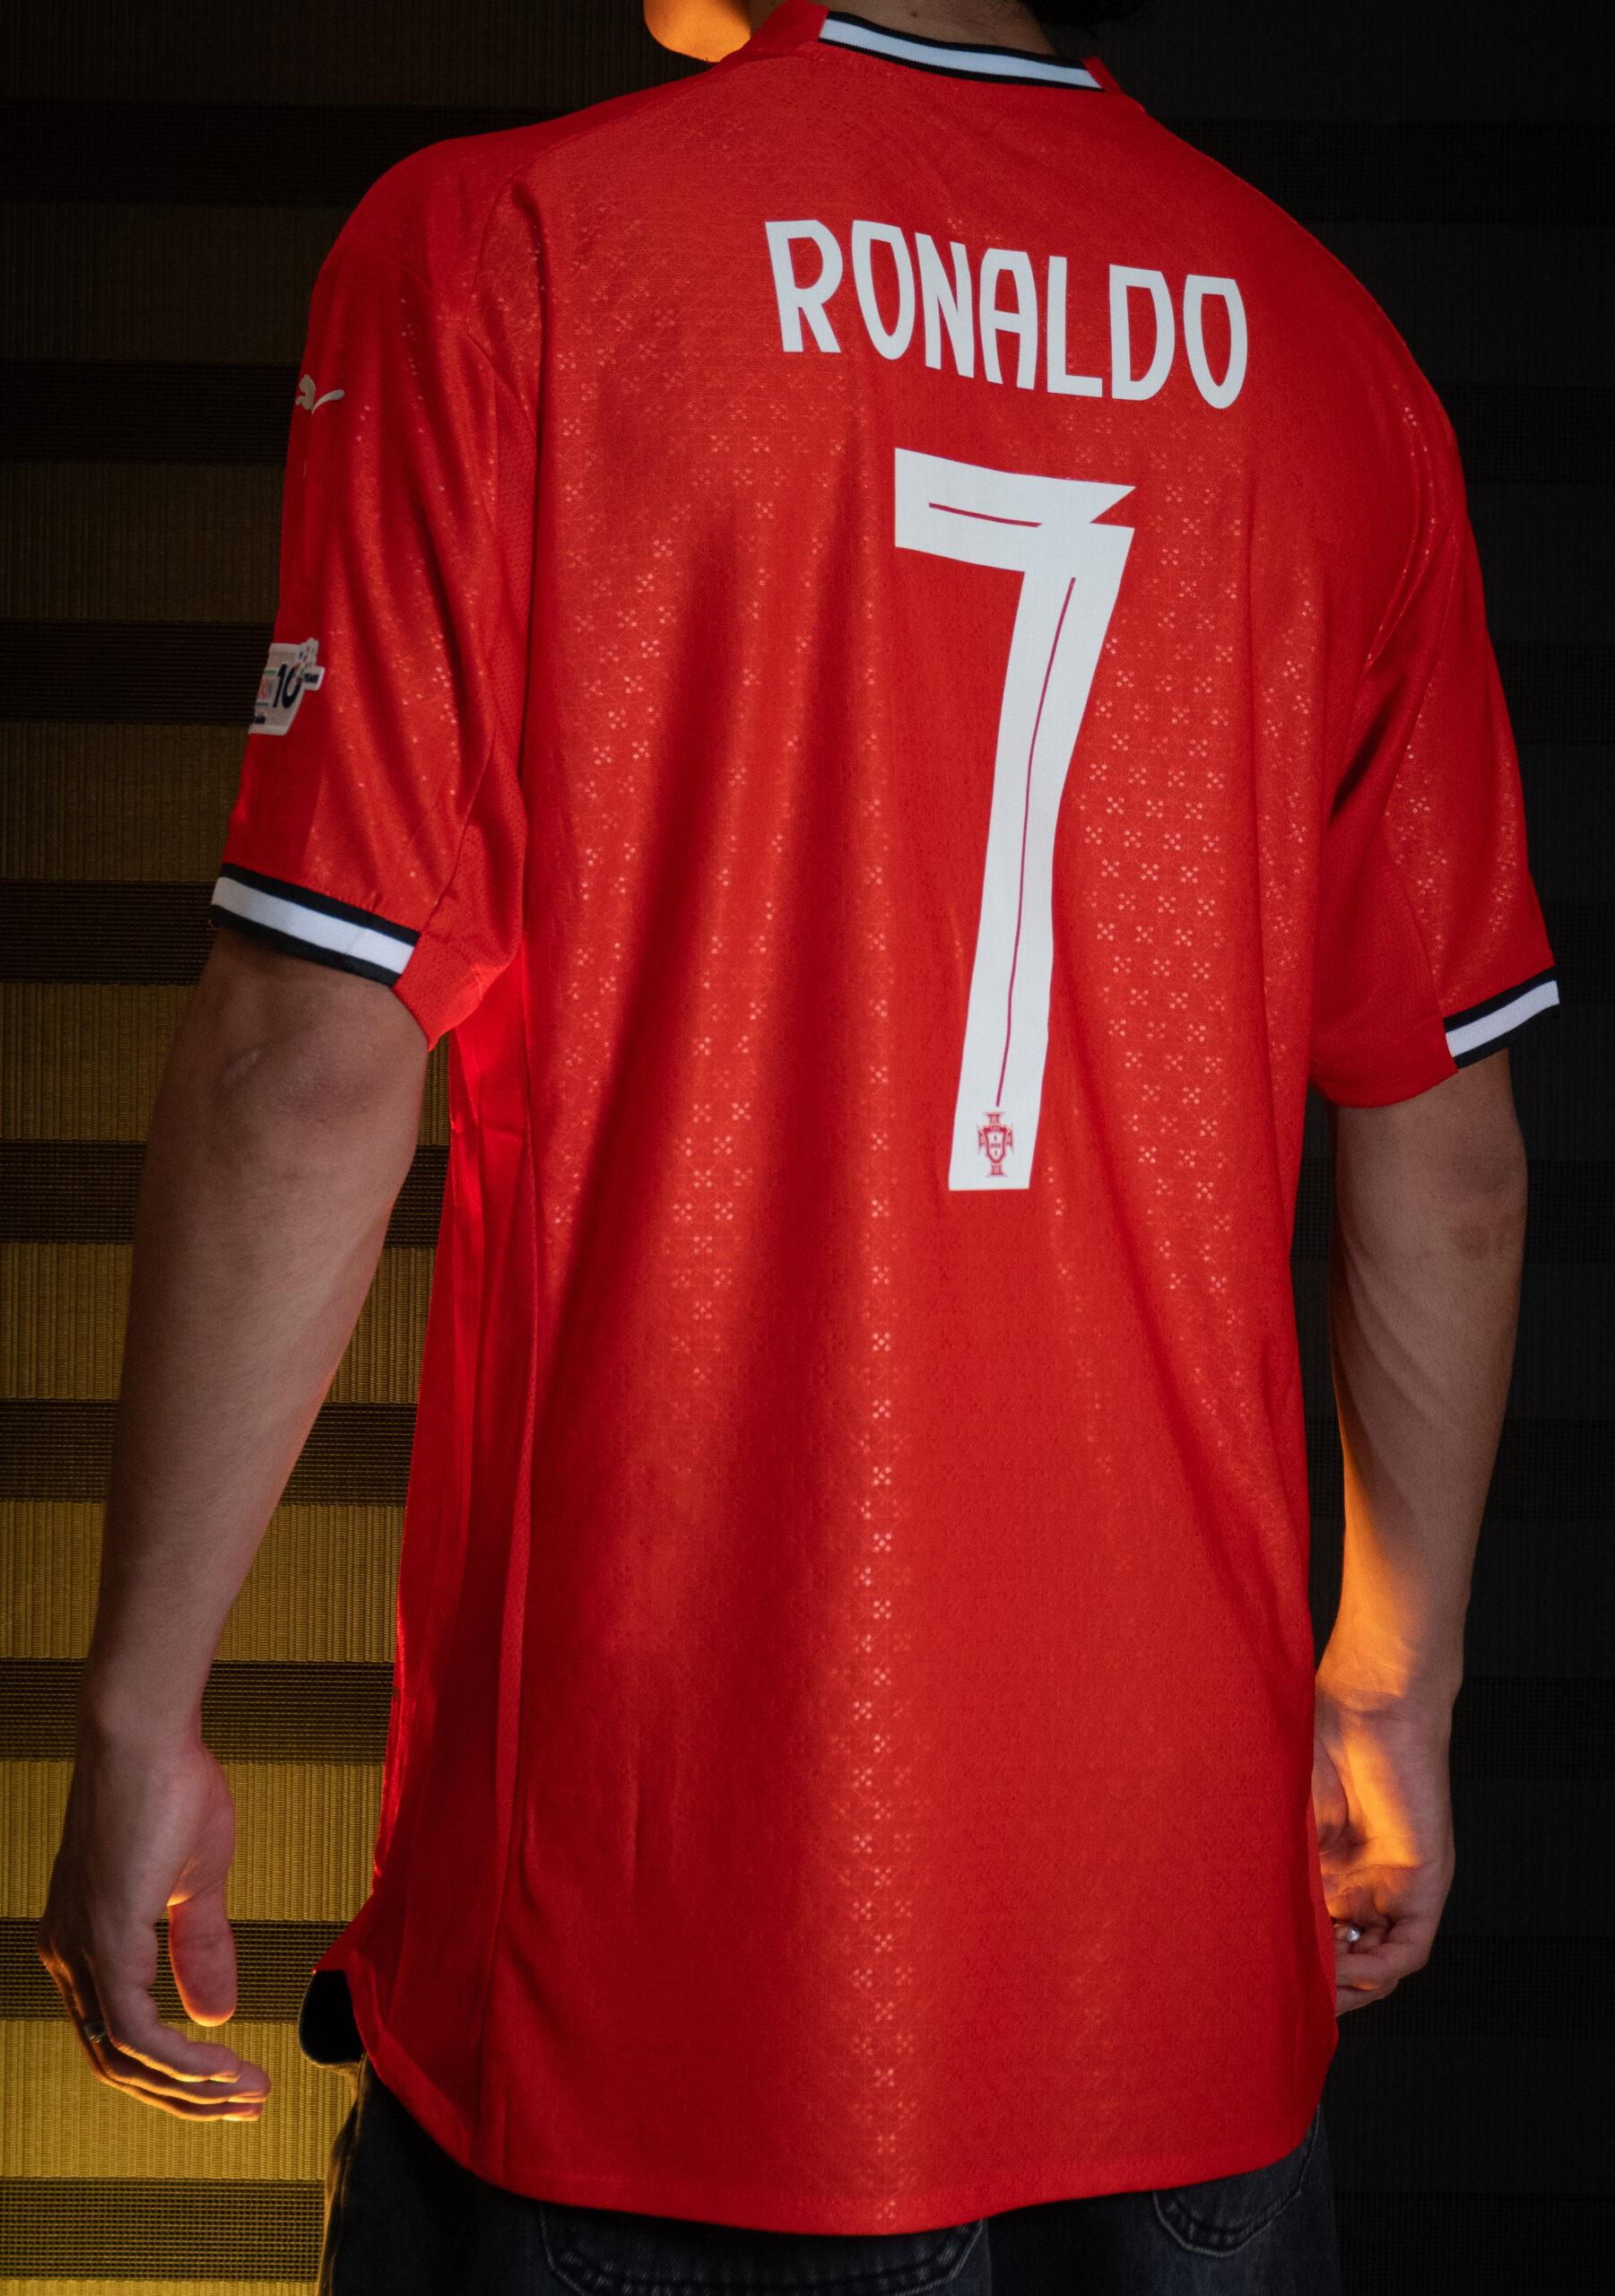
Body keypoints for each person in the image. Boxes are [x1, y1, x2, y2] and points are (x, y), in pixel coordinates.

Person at [39, 3, 1555, 2290]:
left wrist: (142, 1701)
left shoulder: (515, 247)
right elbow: (1447, 1145)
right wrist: (1390, 1683)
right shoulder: (1342, 361)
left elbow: (306, 1057)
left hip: (654, 1977)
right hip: (1175, 1957)